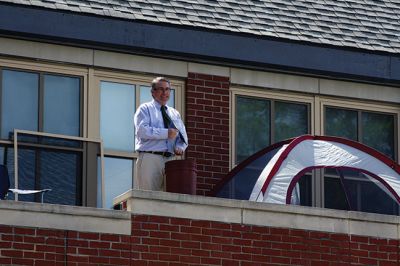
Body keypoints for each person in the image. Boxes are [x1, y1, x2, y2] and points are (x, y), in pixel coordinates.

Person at [134, 77, 188, 191]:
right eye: (161, 89)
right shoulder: (145, 108)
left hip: (171, 160)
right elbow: (142, 131)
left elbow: (183, 136)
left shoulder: (174, 113)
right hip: (150, 158)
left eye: (167, 89)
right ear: (153, 92)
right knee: (148, 197)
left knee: (169, 198)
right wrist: (166, 133)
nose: (165, 93)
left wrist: (180, 147)